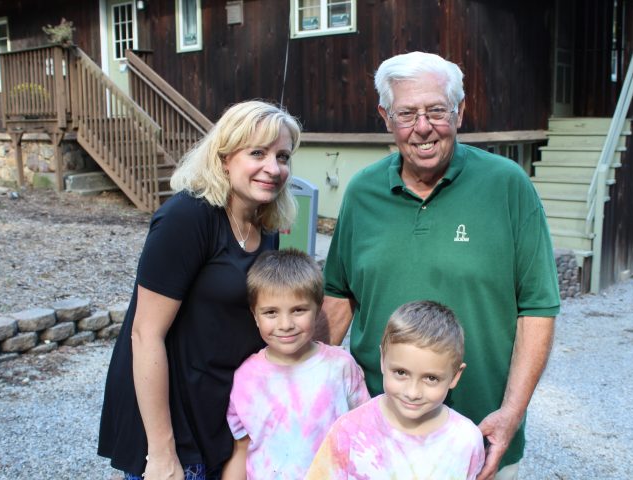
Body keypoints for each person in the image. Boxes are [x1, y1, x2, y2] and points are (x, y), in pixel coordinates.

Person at [320, 51, 560, 479]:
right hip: (375, 440)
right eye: (406, 114)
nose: (423, 127)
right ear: (386, 117)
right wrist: (299, 385)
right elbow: (338, 299)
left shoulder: (508, 186)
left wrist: (511, 414)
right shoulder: (361, 192)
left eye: (436, 111)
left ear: (460, 112)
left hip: (479, 437)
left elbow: (537, 309)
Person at [98, 100, 302, 480]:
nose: (274, 168)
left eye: (283, 156)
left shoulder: (266, 227)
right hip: (178, 421)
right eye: (257, 153)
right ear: (224, 158)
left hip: (225, 415)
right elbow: (145, 334)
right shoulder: (187, 217)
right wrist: (161, 452)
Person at [222, 248, 370, 480]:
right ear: (255, 315)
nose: (285, 324)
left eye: (298, 310)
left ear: (318, 308)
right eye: (271, 312)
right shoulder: (245, 378)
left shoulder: (340, 367)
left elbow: (365, 434)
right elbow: (241, 450)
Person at [306, 300, 485, 479]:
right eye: (401, 372)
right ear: (383, 360)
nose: (412, 393)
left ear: (455, 376)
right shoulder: (348, 430)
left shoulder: (466, 440)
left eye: (431, 378)